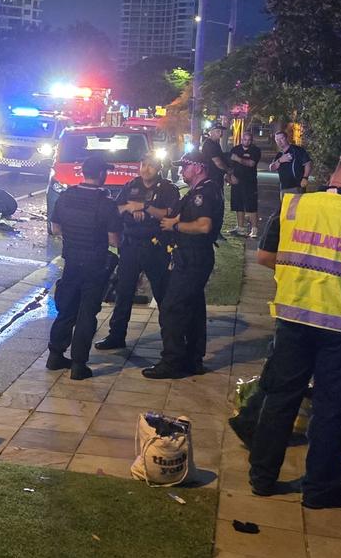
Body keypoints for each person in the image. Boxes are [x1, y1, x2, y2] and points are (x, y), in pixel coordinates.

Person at [248, 151, 341, 508]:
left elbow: (266, 256)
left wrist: (298, 275)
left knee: (280, 398)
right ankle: (319, 489)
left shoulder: (296, 206)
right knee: (332, 408)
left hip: (293, 319)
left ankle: (262, 478)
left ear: (334, 175)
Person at [143, 153, 223, 379]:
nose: (181, 171)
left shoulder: (204, 193)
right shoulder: (203, 190)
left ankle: (172, 361)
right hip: (192, 256)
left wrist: (174, 227)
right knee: (194, 309)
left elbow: (204, 225)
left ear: (198, 168)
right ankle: (192, 359)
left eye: (185, 166)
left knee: (172, 307)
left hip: (193, 257)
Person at [94, 151, 182, 351]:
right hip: (131, 245)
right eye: (143, 164)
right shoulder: (131, 185)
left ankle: (172, 341)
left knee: (163, 294)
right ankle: (116, 336)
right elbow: (116, 209)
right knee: (123, 292)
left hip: (156, 247)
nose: (145, 169)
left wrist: (145, 208)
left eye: (150, 165)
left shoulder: (168, 189)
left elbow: (171, 213)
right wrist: (130, 209)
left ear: (159, 167)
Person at [48, 154, 122, 380]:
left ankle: (55, 355)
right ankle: (79, 364)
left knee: (67, 308)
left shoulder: (66, 196)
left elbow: (55, 228)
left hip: (71, 261)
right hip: (95, 263)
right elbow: (114, 240)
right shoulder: (106, 203)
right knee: (87, 313)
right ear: (101, 174)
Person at [228, 132, 262, 238]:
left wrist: (237, 159)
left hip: (250, 182)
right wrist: (231, 176)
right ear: (241, 139)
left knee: (251, 205)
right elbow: (230, 165)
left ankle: (254, 229)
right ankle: (240, 228)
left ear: (251, 140)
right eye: (244, 139)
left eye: (248, 140)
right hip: (237, 181)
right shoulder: (235, 149)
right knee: (238, 205)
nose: (246, 141)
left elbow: (251, 163)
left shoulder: (255, 150)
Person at [269, 130, 312, 196]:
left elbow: (307, 164)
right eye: (277, 140)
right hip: (284, 187)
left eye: (282, 138)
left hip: (297, 186)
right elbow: (272, 168)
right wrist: (280, 160)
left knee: (296, 206)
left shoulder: (298, 150)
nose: (279, 141)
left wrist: (305, 178)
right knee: (285, 206)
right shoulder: (279, 155)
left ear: (287, 138)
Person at [201, 123, 231, 192]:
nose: (220, 133)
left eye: (221, 131)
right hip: (211, 177)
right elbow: (218, 162)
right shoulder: (209, 144)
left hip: (216, 176)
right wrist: (228, 170)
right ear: (211, 132)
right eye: (218, 131)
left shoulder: (215, 143)